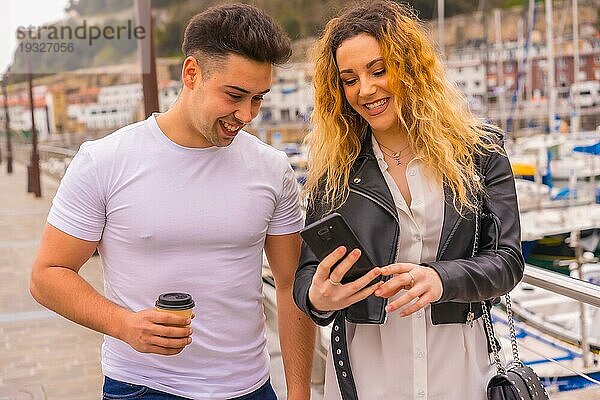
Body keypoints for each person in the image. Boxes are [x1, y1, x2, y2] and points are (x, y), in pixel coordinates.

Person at [29, 4, 315, 399]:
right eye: (234, 95)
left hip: (250, 387)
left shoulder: (272, 168)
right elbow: (48, 274)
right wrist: (124, 325)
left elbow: (289, 285)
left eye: (258, 99)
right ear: (191, 73)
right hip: (143, 387)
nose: (246, 114)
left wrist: (299, 393)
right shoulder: (104, 160)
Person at [293, 1, 524, 399]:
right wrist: (318, 297)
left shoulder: (480, 151)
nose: (365, 90)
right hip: (367, 373)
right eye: (349, 79)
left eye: (379, 70)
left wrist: (439, 278)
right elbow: (307, 275)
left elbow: (507, 261)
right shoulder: (332, 170)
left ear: (411, 69)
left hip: (460, 369)